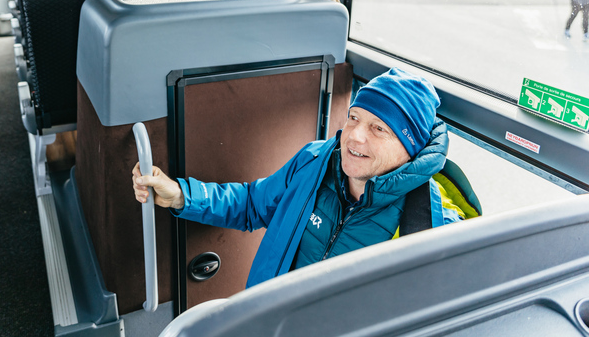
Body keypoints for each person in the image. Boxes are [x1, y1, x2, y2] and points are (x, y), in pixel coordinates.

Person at [132, 68, 464, 288]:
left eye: (379, 129)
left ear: (410, 149)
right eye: (353, 118)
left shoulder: (431, 227)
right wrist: (180, 195)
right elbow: (252, 204)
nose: (354, 137)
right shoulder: (314, 161)